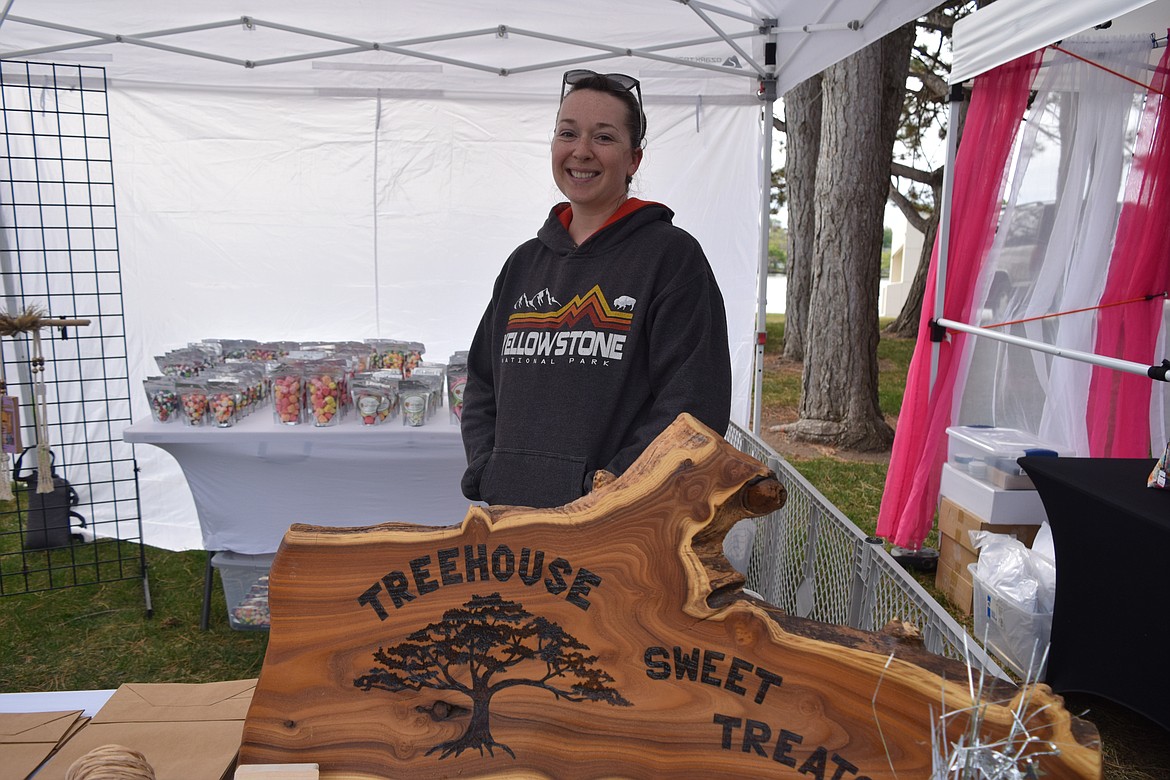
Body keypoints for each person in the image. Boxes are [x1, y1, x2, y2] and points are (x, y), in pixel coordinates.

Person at [460, 69, 732, 508]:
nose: (581, 151)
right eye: (568, 133)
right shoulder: (523, 264)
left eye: (603, 138)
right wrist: (489, 468)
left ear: (634, 160)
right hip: (511, 518)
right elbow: (481, 384)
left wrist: (604, 489)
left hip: (615, 528)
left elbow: (693, 406)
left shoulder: (671, 259)